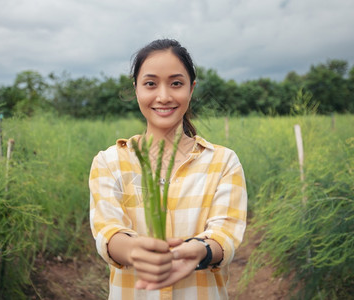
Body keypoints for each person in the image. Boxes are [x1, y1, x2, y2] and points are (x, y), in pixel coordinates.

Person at [89, 39, 247, 299]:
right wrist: (134, 250)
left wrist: (200, 251)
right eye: (150, 83)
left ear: (191, 89)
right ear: (137, 89)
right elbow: (108, 231)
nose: (163, 96)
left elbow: (226, 234)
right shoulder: (110, 162)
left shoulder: (223, 162)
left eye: (176, 83)